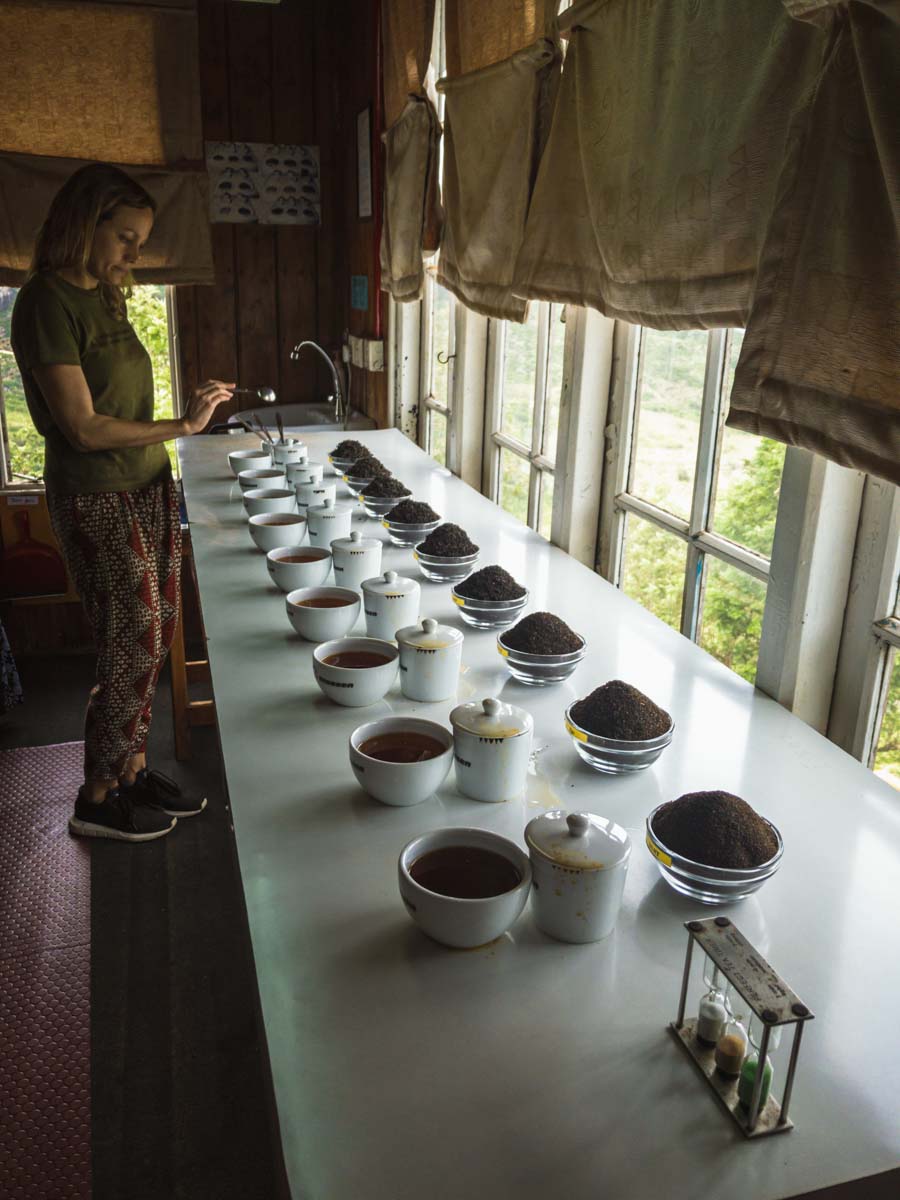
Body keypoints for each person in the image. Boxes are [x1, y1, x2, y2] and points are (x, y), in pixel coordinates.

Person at [10, 162, 234, 842]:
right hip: (97, 494)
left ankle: (133, 771)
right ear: (87, 224)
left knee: (155, 626)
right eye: (127, 237)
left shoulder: (107, 296)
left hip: (147, 484)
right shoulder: (46, 300)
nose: (136, 254)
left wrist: (174, 430)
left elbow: (120, 400)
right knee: (129, 639)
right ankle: (97, 795)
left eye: (142, 239)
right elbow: (81, 426)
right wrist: (184, 426)